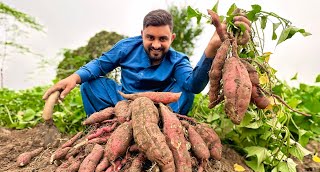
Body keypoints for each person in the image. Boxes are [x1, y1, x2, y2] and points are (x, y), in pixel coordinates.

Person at [42, 9, 251, 116]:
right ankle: (100, 129)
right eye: (150, 37)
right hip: (124, 101)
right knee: (90, 85)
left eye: (163, 39)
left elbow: (194, 85)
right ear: (142, 34)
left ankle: (168, 127)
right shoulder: (127, 47)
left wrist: (212, 47)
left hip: (162, 109)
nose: (156, 45)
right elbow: (99, 65)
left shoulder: (178, 60)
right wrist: (73, 77)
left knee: (185, 92)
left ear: (172, 38)